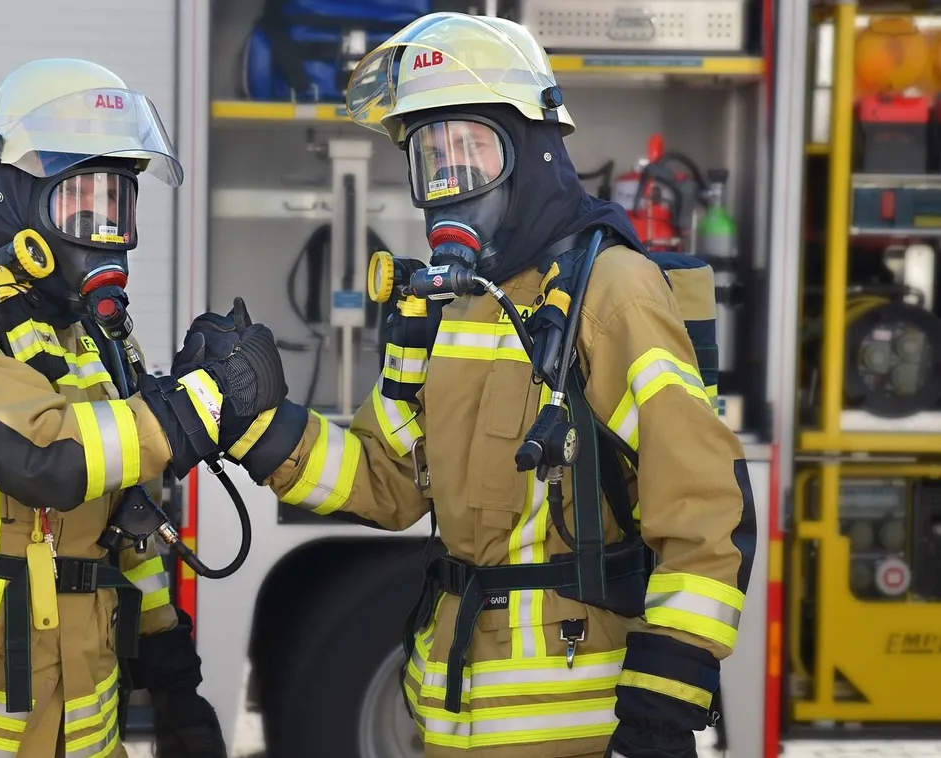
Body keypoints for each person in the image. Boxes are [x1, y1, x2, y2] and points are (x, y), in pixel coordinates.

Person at [179, 13, 757, 758]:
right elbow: (386, 480)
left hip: (579, 728)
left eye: (470, 152)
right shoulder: (443, 306)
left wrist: (660, 711)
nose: (449, 183)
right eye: (431, 159)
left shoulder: (612, 293)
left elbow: (704, 509)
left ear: (536, 151)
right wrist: (258, 422)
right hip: (449, 721)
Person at [0, 58, 287, 758]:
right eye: (80, 201)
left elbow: (126, 522)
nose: (102, 227)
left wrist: (173, 684)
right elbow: (42, 457)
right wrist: (197, 406)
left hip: (81, 731)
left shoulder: (89, 340)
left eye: (118, 204)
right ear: (14, 197)